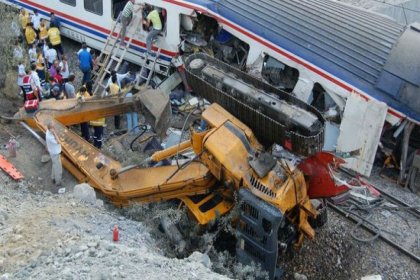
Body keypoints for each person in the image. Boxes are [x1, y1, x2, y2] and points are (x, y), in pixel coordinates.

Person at [45, 122, 62, 188]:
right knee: (58, 168)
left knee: (54, 165)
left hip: (52, 152)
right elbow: (59, 142)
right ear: (50, 129)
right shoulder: (50, 137)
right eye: (53, 128)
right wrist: (55, 133)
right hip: (55, 153)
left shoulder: (47, 131)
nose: (55, 129)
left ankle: (53, 178)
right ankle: (58, 182)